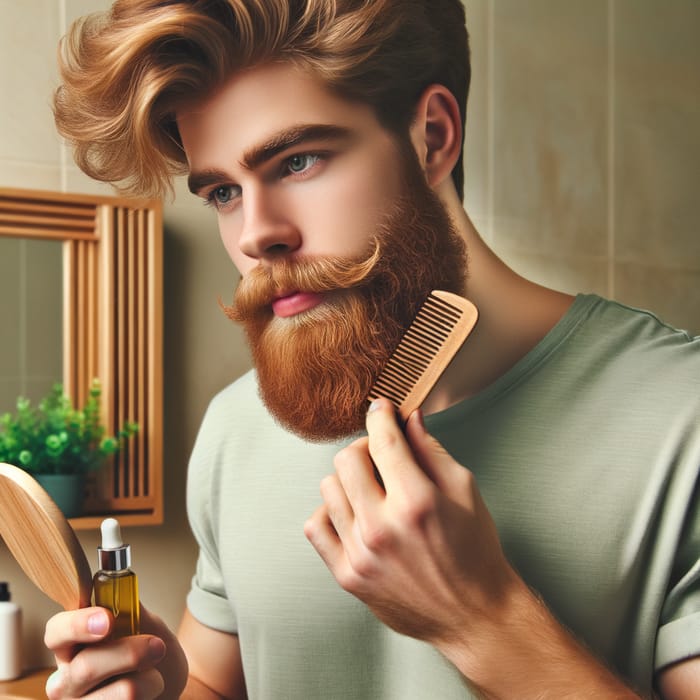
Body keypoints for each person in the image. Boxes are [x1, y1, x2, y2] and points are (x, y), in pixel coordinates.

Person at [44, 1, 699, 698]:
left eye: (296, 161)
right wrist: (161, 684)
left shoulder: (679, 419)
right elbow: (214, 681)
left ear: (434, 137)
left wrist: (482, 621)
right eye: (224, 192)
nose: (255, 236)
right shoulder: (237, 428)